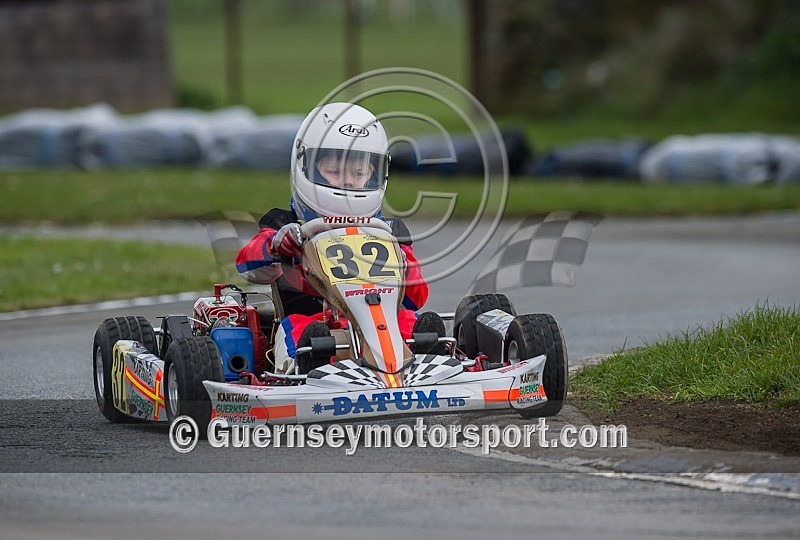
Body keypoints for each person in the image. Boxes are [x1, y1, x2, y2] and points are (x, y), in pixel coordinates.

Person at [235, 102, 443, 374]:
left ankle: (430, 360)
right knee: (304, 331)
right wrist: (277, 246)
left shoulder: (388, 231)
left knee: (411, 320)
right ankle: (308, 370)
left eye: (358, 173)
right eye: (334, 172)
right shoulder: (285, 224)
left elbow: (417, 297)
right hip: (314, 322)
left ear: (377, 173)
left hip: (380, 321)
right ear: (305, 166)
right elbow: (247, 264)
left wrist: (400, 261)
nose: (346, 182)